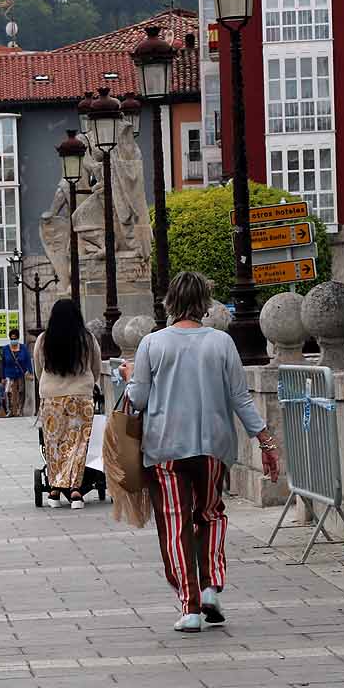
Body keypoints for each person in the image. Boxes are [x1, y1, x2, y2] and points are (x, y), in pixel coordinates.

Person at [119, 271, 280, 634]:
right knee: (210, 514)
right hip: (212, 446)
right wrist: (266, 442)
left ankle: (189, 606)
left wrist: (129, 377)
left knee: (175, 524)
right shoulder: (221, 343)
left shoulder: (153, 344)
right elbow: (241, 397)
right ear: (206, 304)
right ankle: (211, 587)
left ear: (169, 302)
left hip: (165, 449)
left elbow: (139, 399)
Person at [34, 299, 101, 510]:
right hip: (81, 396)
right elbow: (96, 366)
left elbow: (38, 368)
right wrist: (88, 385)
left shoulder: (44, 340)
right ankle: (75, 491)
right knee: (79, 444)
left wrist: (49, 386)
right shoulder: (87, 340)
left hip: (52, 397)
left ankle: (54, 491)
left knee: (54, 445)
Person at [1, 328, 34, 417]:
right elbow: (3, 363)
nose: (13, 340)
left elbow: (27, 360)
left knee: (21, 391)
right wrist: (3, 377)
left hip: (20, 373)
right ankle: (10, 410)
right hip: (9, 373)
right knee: (8, 392)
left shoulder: (23, 348)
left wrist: (30, 372)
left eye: (15, 338)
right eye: (11, 338)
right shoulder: (5, 349)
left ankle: (20, 410)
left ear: (18, 338)